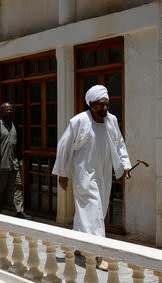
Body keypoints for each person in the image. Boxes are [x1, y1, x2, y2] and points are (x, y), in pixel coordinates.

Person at [52, 85, 132, 237]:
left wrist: (126, 165)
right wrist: (62, 173)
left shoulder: (112, 120)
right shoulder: (79, 121)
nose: (105, 107)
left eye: (107, 104)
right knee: (92, 209)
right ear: (91, 104)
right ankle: (96, 251)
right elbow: (64, 145)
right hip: (84, 174)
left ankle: (78, 243)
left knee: (94, 210)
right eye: (101, 104)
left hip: (104, 171)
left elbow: (119, 143)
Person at [0, 103, 30, 219]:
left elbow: (18, 144)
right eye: (7, 110)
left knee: (18, 186)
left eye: (11, 110)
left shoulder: (15, 125)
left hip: (14, 163)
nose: (9, 112)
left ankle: (19, 211)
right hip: (0, 164)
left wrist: (20, 160)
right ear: (2, 112)